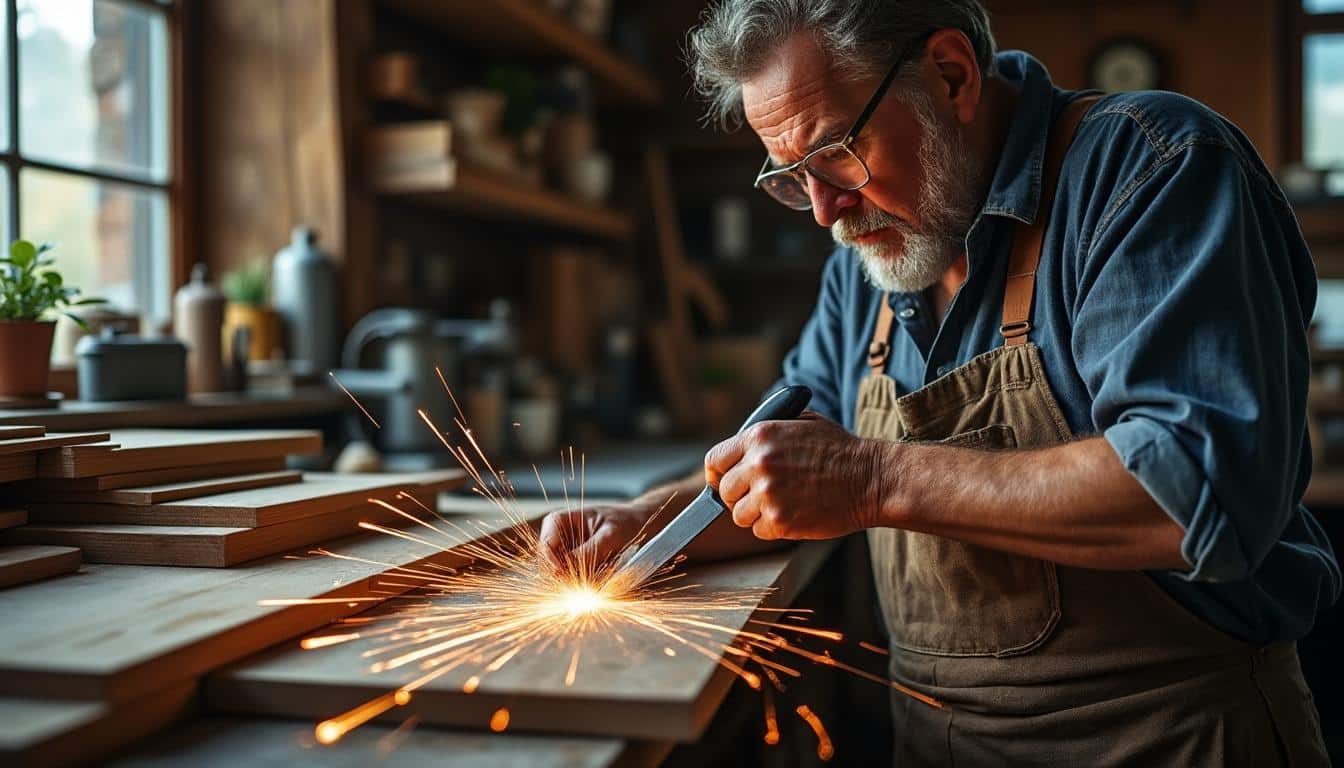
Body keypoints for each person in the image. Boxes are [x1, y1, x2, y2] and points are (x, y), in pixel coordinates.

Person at [542, 1, 1339, 763]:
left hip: (1168, 739)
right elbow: (778, 469)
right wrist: (649, 523)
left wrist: (872, 477)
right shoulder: (870, 258)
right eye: (790, 176)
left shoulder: (1152, 167)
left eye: (835, 155)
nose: (825, 211)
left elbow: (1198, 493)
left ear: (951, 74)